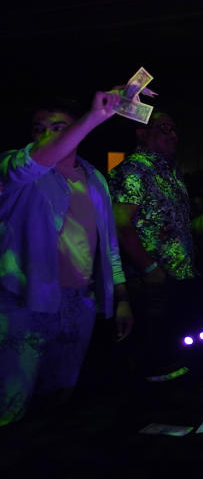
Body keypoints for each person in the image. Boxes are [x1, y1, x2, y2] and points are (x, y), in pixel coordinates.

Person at [1, 93, 133, 426]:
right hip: (23, 302)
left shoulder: (93, 178)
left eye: (59, 128)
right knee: (11, 402)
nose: (48, 136)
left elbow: (109, 245)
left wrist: (120, 297)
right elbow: (32, 162)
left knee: (61, 394)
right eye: (39, 129)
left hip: (79, 302)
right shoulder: (15, 169)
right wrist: (94, 117)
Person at [109, 113, 196, 368]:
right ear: (142, 132)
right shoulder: (135, 168)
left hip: (175, 278)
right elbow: (119, 223)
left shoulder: (169, 169)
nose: (173, 134)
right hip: (150, 283)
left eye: (174, 128)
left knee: (174, 355)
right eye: (163, 128)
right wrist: (148, 267)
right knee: (152, 358)